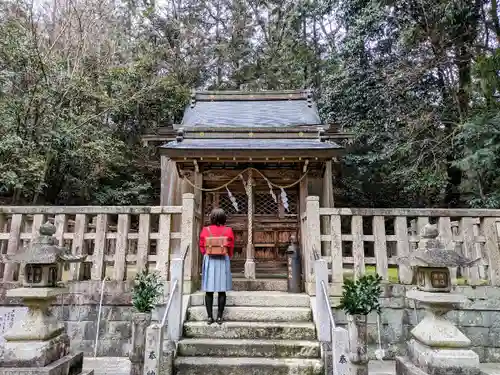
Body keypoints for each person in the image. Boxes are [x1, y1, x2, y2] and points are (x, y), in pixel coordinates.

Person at [199, 208, 234, 325]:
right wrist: (228, 255)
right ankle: (219, 317)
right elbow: (231, 247)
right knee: (221, 290)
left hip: (209, 259)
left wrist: (207, 253)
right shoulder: (228, 230)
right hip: (223, 259)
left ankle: (209, 317)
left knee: (209, 290)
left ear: (212, 218)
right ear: (224, 218)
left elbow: (201, 246)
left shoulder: (205, 230)